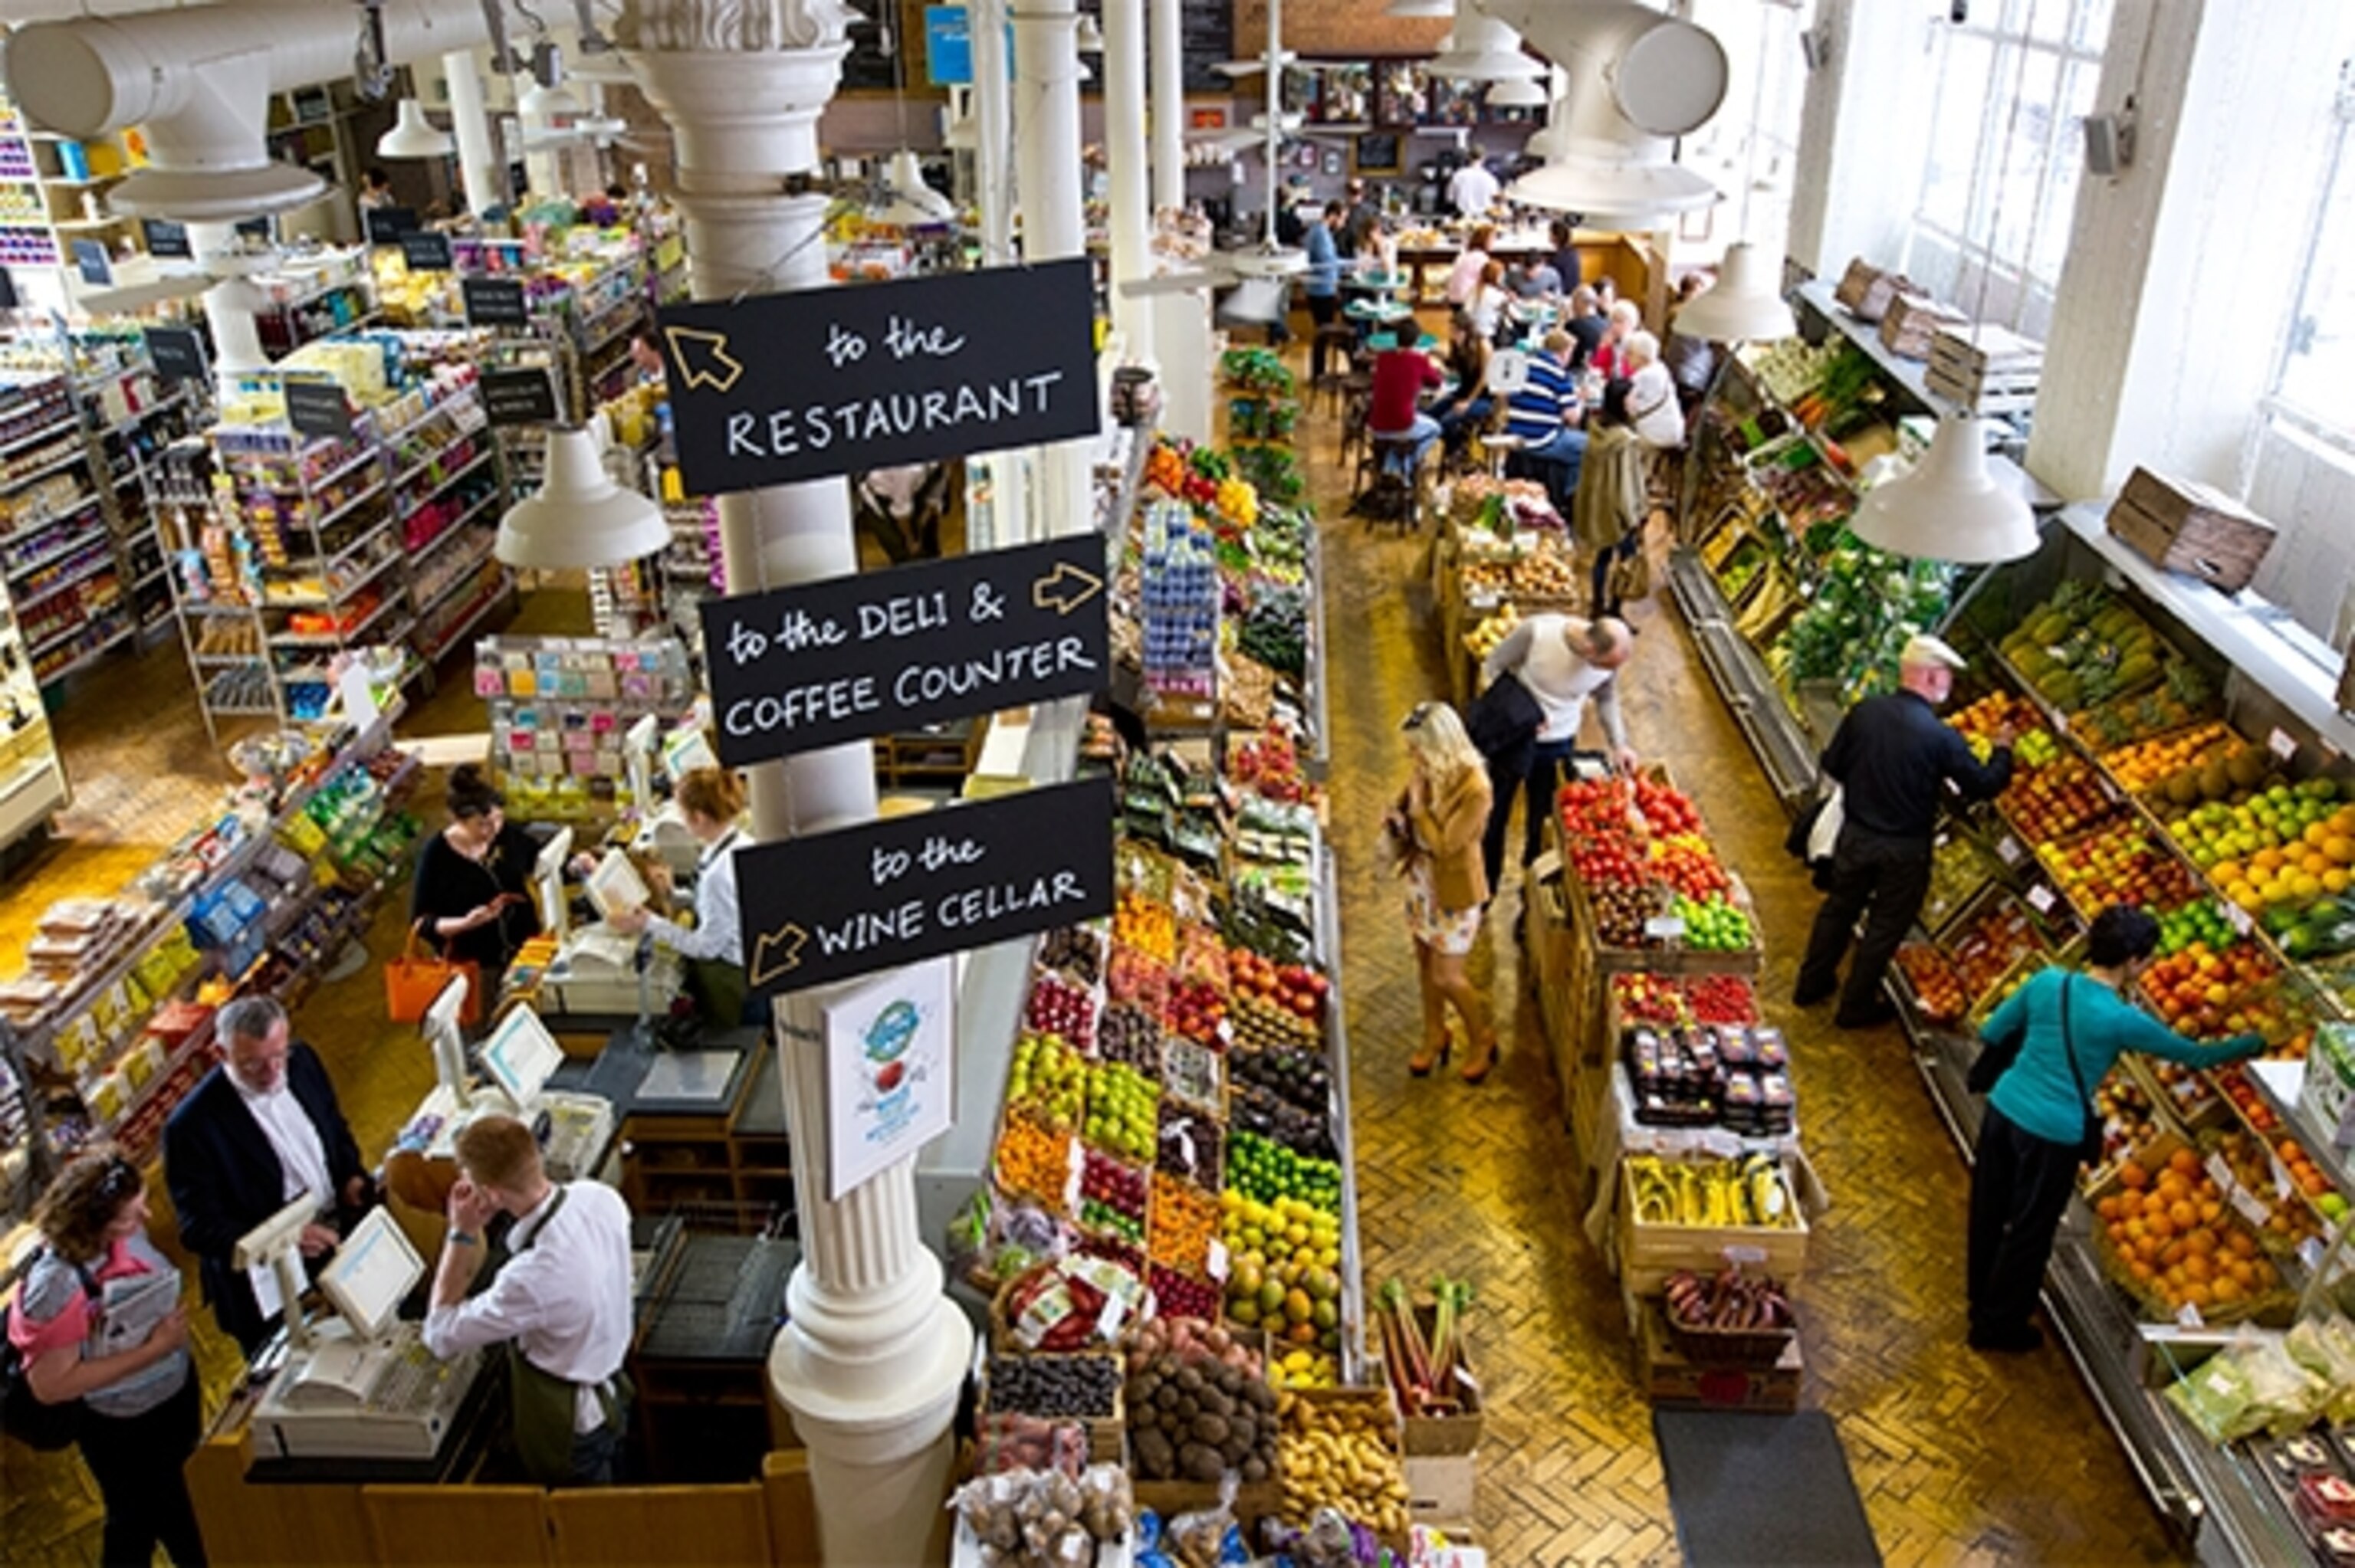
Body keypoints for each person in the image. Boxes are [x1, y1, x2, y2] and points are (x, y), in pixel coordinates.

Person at [1967, 907, 2266, 1353]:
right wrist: (2258, 1041)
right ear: (2132, 961)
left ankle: (1979, 1297)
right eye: (2146, 960)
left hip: (2004, 1109)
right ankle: (1999, 1326)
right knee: (2031, 1229)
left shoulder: (2048, 981)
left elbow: (1993, 1029)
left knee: (1989, 1208)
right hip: (2053, 1134)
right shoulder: (2122, 1019)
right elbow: (2195, 1056)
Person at [1795, 635, 2015, 1028]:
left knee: (1839, 909)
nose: (1949, 684)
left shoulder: (1865, 712)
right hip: (1906, 850)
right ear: (1931, 677)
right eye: (1947, 675)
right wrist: (2002, 749)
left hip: (1857, 835)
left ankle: (1810, 985)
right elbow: (1982, 784)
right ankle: (1855, 1007)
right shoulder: (1940, 737)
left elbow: (1834, 762)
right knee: (1884, 927)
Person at [10, 1150, 206, 1566]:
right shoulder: (56, 1286)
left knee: (173, 1509)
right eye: (132, 1216)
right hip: (126, 1428)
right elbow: (51, 1385)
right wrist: (153, 1349)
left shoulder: (120, 1232)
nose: (148, 1218)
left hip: (169, 1401)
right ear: (91, 1225)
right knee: (146, 1519)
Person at [425, 1114, 634, 1486]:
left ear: (490, 1194)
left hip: (571, 1424)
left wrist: (461, 1233)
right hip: (614, 1389)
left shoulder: (532, 1279)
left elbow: (440, 1334)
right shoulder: (600, 1198)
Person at [163, 995, 371, 1355]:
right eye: (253, 1065)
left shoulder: (302, 1061)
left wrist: (350, 1175)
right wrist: (287, 1238)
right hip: (268, 1283)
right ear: (220, 1054)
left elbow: (333, 1129)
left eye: (278, 1056)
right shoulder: (191, 1127)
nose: (274, 1073)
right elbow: (199, 1228)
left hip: (336, 1239)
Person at [1476, 614, 1637, 891]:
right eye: (1605, 666)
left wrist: (1619, 743)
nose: (1607, 673)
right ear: (1590, 650)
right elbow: (1491, 667)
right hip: (1512, 740)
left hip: (1557, 746)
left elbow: (1607, 697)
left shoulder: (1607, 663)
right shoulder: (1538, 632)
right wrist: (1516, 714)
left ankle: (1531, 896)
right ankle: (1484, 888)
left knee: (1543, 823)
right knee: (1494, 815)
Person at [1385, 703, 1498, 1084]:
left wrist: (1417, 811)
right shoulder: (1430, 769)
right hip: (1421, 881)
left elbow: (1448, 845)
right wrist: (1400, 817)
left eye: (1417, 748)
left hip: (1454, 891)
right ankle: (1435, 1033)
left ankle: (1481, 1037)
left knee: (1448, 976)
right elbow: (1412, 814)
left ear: (1441, 745)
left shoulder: (1476, 788)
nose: (1411, 755)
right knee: (1424, 964)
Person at [606, 766, 758, 1027]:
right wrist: (674, 895)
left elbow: (706, 948)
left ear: (698, 817)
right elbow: (726, 908)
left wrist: (650, 923)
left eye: (682, 813)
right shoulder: (738, 841)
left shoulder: (718, 876)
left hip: (731, 977)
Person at [410, 763, 544, 994]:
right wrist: (466, 923)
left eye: (497, 819)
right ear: (456, 820)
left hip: (525, 955)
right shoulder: (437, 855)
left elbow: (537, 859)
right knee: (483, 1026)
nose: (491, 830)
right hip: (474, 968)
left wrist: (575, 864)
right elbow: (421, 922)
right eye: (481, 825)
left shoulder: (504, 835)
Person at [1573, 381, 1650, 620]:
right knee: (1625, 562)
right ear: (1622, 403)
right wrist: (1634, 516)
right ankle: (1615, 610)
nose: (1636, 403)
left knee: (1602, 558)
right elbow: (1626, 484)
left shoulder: (1596, 430)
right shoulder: (1625, 440)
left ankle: (1597, 604)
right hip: (1619, 513)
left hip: (1599, 509)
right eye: (1632, 398)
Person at [1499, 328, 1587, 513]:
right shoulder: (1558, 374)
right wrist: (1580, 400)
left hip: (1515, 434)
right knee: (1587, 447)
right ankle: (1568, 498)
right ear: (1564, 352)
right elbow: (1572, 418)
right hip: (1542, 439)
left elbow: (1504, 396)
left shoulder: (1522, 365)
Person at [1367, 340, 1445, 478]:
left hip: (1376, 426)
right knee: (1435, 429)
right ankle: (1406, 466)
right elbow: (1436, 382)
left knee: (1403, 427)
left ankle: (1392, 464)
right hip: (1402, 425)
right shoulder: (1418, 360)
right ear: (1415, 342)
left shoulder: (1383, 357)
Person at [1427, 308, 1494, 467]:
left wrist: (1468, 402)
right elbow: (1455, 368)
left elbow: (1484, 379)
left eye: (1455, 331)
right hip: (1462, 392)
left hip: (1482, 397)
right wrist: (1439, 358)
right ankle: (1455, 448)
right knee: (1430, 415)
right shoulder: (1457, 344)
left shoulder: (1482, 345)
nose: (1452, 334)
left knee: (1447, 421)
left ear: (1465, 331)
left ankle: (1457, 450)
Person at [1661, 271, 1719, 415]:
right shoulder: (1690, 315)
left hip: (1675, 369)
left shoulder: (1676, 310)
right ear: (1689, 292)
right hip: (1689, 376)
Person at [1621, 331, 1687, 449]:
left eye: (1630, 354)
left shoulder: (1643, 376)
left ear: (1643, 358)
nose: (1626, 357)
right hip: (1674, 431)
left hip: (1657, 435)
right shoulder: (1660, 367)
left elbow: (1626, 404)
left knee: (1618, 439)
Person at [1302, 202, 1345, 382]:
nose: (1342, 223)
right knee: (1324, 333)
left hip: (1318, 288)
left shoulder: (1318, 231)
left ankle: (1319, 373)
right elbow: (1328, 262)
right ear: (1333, 216)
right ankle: (1318, 374)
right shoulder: (1321, 234)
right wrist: (1354, 264)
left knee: (1323, 333)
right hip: (1322, 290)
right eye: (1342, 218)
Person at [1444, 224, 1494, 307]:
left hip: (1453, 298)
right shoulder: (1480, 257)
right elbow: (1488, 281)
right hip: (1464, 301)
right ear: (1484, 240)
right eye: (1492, 239)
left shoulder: (1465, 253)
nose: (1493, 242)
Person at [1591, 298, 1641, 381]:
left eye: (1619, 321)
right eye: (1612, 321)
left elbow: (1628, 376)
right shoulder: (1612, 341)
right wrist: (1603, 349)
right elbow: (1598, 370)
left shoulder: (1636, 345)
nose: (1614, 326)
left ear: (1631, 323)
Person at [1562, 285, 1608, 372]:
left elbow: (1558, 351)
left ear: (1579, 303)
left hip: (1575, 372)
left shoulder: (1573, 325)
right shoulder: (1606, 324)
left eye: (1573, 302)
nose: (1572, 306)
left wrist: (1562, 320)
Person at [1447, 146, 1499, 218]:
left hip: (1463, 219)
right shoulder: (1490, 178)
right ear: (1483, 158)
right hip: (1484, 220)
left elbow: (1450, 198)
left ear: (1468, 157)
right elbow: (1496, 199)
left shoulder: (1458, 175)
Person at [1467, 258, 1511, 343]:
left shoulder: (1474, 290)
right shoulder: (1497, 295)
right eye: (1501, 274)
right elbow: (1510, 313)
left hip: (1472, 331)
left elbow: (1467, 310)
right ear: (1496, 276)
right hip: (1489, 333)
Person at [1545, 218, 1582, 297]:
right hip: (1574, 294)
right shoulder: (1574, 253)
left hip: (1562, 296)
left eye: (1550, 233)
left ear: (1555, 236)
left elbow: (1549, 281)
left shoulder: (1557, 258)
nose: (1548, 235)